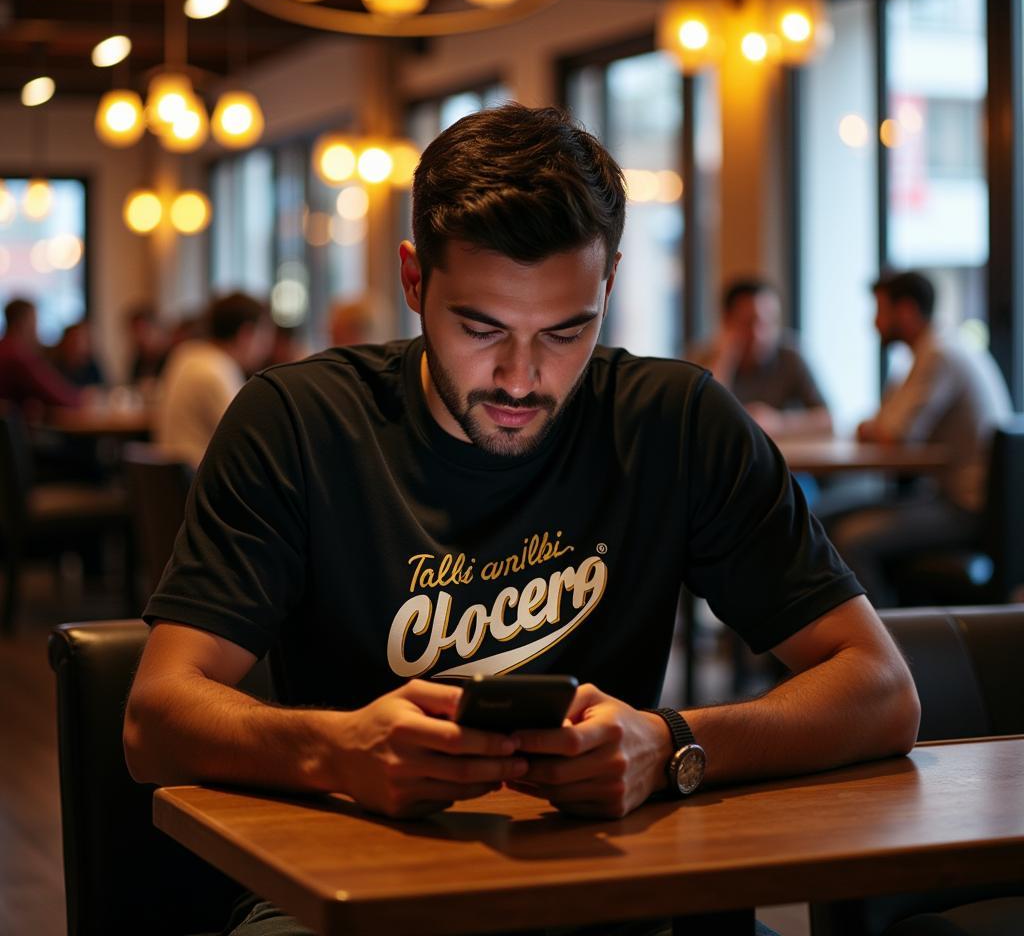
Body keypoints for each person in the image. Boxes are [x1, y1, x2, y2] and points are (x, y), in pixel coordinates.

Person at [124, 106, 919, 936]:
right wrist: (339, 751)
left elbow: (882, 690)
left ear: (608, 283)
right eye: (481, 328)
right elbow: (155, 717)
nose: (521, 379)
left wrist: (671, 743)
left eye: (567, 331)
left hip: (616, 889)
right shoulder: (298, 422)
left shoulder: (675, 423)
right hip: (350, 892)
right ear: (414, 281)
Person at [826, 271, 1013, 607]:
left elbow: (892, 434)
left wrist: (876, 427)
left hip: (963, 508)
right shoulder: (936, 350)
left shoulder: (939, 355)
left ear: (907, 311)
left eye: (880, 311)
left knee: (849, 538)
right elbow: (890, 422)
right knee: (823, 517)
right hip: (947, 497)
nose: (874, 323)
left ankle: (889, 649)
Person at [689, 279, 832, 439]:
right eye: (748, 323)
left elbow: (828, 420)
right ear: (726, 322)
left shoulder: (790, 357)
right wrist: (725, 358)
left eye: (769, 322)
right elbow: (698, 420)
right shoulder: (701, 358)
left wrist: (779, 423)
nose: (759, 334)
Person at [153, 292, 274, 469]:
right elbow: (247, 443)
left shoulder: (185, 354)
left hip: (172, 482)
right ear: (246, 334)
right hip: (199, 486)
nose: (265, 350)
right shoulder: (217, 370)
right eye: (263, 338)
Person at [0, 298, 82, 416]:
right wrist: (82, 398)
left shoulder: (4, 348)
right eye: (34, 321)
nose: (36, 329)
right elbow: (55, 395)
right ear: (24, 323)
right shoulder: (18, 356)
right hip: (13, 431)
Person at [50, 320, 106, 388]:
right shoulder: (53, 365)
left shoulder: (91, 366)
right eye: (74, 340)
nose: (79, 344)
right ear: (65, 342)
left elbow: (101, 388)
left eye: (82, 341)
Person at [124, 305, 168, 385]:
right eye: (134, 332)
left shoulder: (169, 357)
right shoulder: (138, 359)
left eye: (142, 331)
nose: (138, 338)